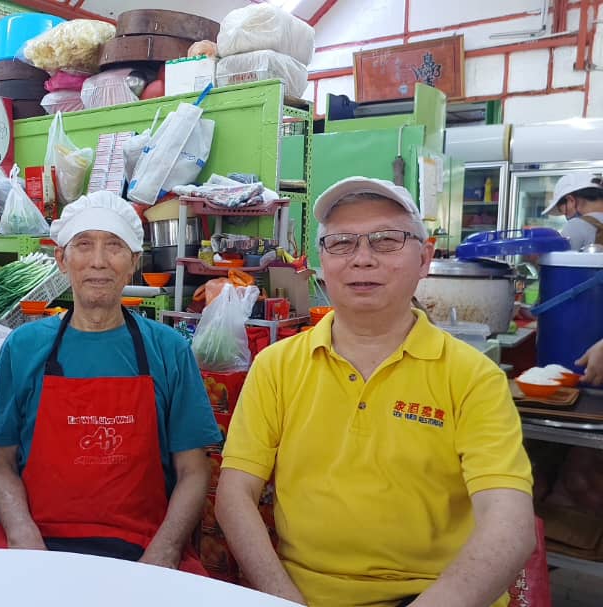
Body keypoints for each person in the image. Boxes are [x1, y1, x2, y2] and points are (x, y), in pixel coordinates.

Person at [216, 177, 536, 607]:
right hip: (303, 595)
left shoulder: (472, 377)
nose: (362, 260)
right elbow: (235, 494)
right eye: (342, 243)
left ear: (424, 259)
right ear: (320, 263)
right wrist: (282, 597)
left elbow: (509, 523)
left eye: (386, 241)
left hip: (435, 595)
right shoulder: (277, 366)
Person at [0, 191, 222, 574]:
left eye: (114, 246)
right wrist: (22, 534)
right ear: (61, 259)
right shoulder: (23, 348)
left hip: (143, 544)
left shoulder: (169, 351)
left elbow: (195, 470)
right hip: (39, 542)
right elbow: (0, 464)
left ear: (134, 263)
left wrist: (165, 550)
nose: (98, 261)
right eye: (83, 245)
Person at [540, 171, 603, 251]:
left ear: (571, 200)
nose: (567, 217)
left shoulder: (576, 225)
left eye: (564, 212)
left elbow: (560, 262)